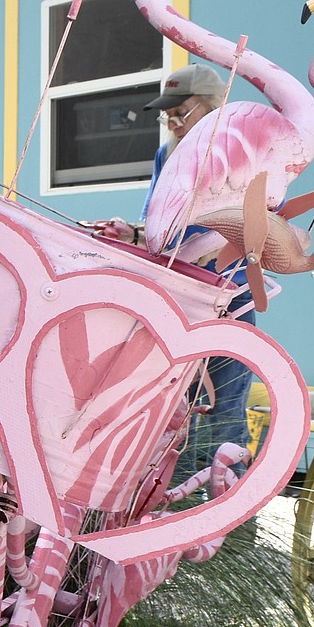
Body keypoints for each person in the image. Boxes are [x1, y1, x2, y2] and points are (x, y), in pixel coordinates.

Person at [99, 63, 255, 478]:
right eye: (166, 114)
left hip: (230, 297)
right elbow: (156, 223)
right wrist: (132, 232)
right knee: (173, 413)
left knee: (225, 413)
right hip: (177, 299)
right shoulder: (167, 152)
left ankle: (229, 525)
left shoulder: (242, 149)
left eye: (180, 112)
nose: (171, 122)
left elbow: (253, 220)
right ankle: (168, 516)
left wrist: (210, 244)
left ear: (213, 108)